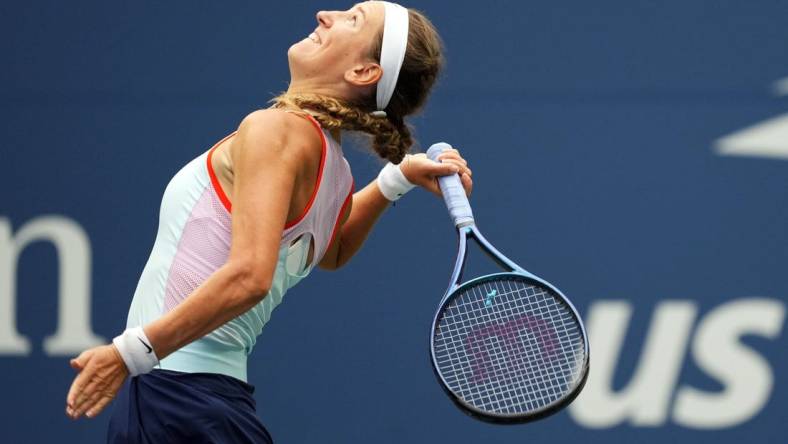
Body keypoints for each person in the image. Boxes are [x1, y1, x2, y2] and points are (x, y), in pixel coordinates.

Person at [65, 2, 473, 442]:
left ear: (363, 72)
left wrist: (130, 352)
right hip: (204, 400)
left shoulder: (276, 130)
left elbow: (250, 277)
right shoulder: (331, 166)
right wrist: (395, 179)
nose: (324, 14)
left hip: (174, 398)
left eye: (353, 19)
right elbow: (331, 252)